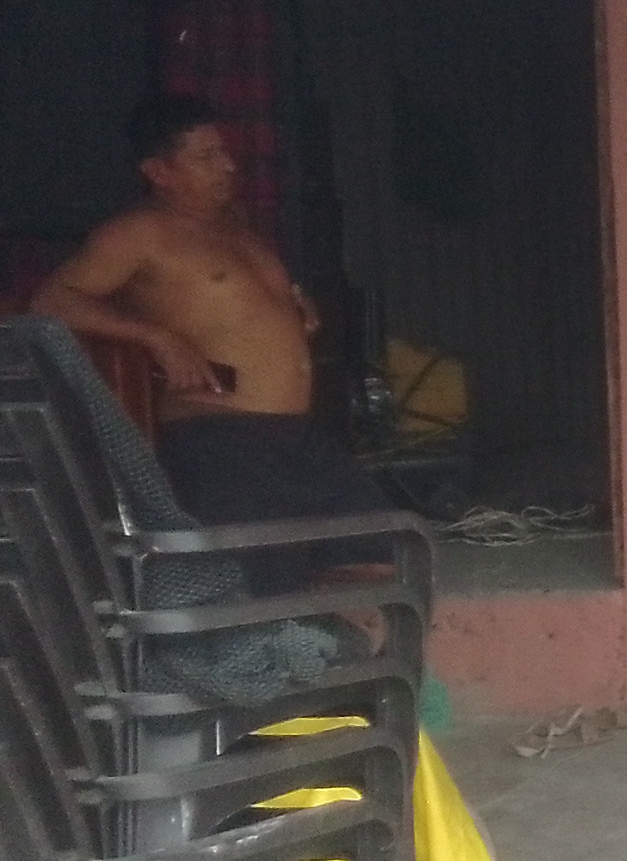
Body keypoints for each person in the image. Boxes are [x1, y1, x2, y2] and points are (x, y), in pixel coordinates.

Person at [28, 96, 394, 567]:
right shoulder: (139, 232)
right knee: (256, 580)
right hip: (222, 437)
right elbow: (52, 300)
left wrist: (291, 310)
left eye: (224, 151)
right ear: (159, 172)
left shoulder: (237, 225)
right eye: (206, 156)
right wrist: (156, 337)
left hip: (295, 434)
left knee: (377, 556)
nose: (228, 166)